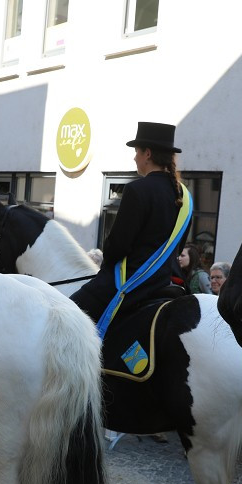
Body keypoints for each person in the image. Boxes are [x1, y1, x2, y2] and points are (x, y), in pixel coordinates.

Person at [70, 122, 189, 335]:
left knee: (66, 315)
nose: (134, 157)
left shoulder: (137, 189)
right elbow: (177, 248)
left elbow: (118, 246)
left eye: (136, 152)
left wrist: (106, 261)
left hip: (129, 282)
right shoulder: (185, 197)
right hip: (164, 282)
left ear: (148, 154)